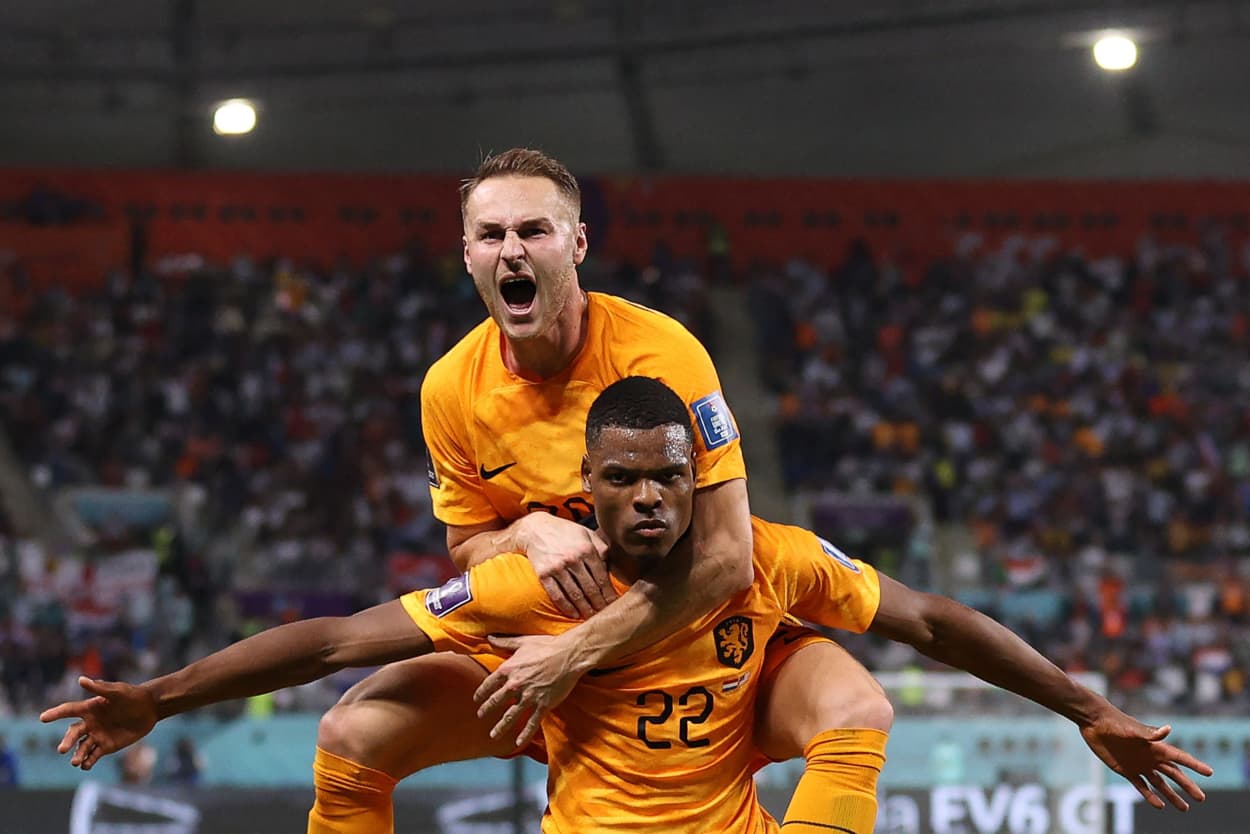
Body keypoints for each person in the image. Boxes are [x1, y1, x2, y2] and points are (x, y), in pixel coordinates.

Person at [41, 377, 1212, 833]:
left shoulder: (769, 556)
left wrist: (1081, 707)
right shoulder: (531, 584)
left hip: (729, 805)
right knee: (354, 723)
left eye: (669, 474)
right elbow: (338, 640)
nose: (650, 496)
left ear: (694, 474)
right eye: (623, 479)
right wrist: (164, 694)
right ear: (584, 491)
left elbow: (936, 623)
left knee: (858, 705)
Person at [308, 148, 891, 832]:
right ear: (467, 254)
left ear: (578, 243)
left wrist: (576, 653)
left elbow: (727, 556)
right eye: (492, 235)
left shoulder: (662, 354)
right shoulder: (450, 387)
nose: (512, 250)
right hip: (541, 642)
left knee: (854, 708)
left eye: (534, 230)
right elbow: (466, 550)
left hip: (686, 633)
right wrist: (525, 532)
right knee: (352, 733)